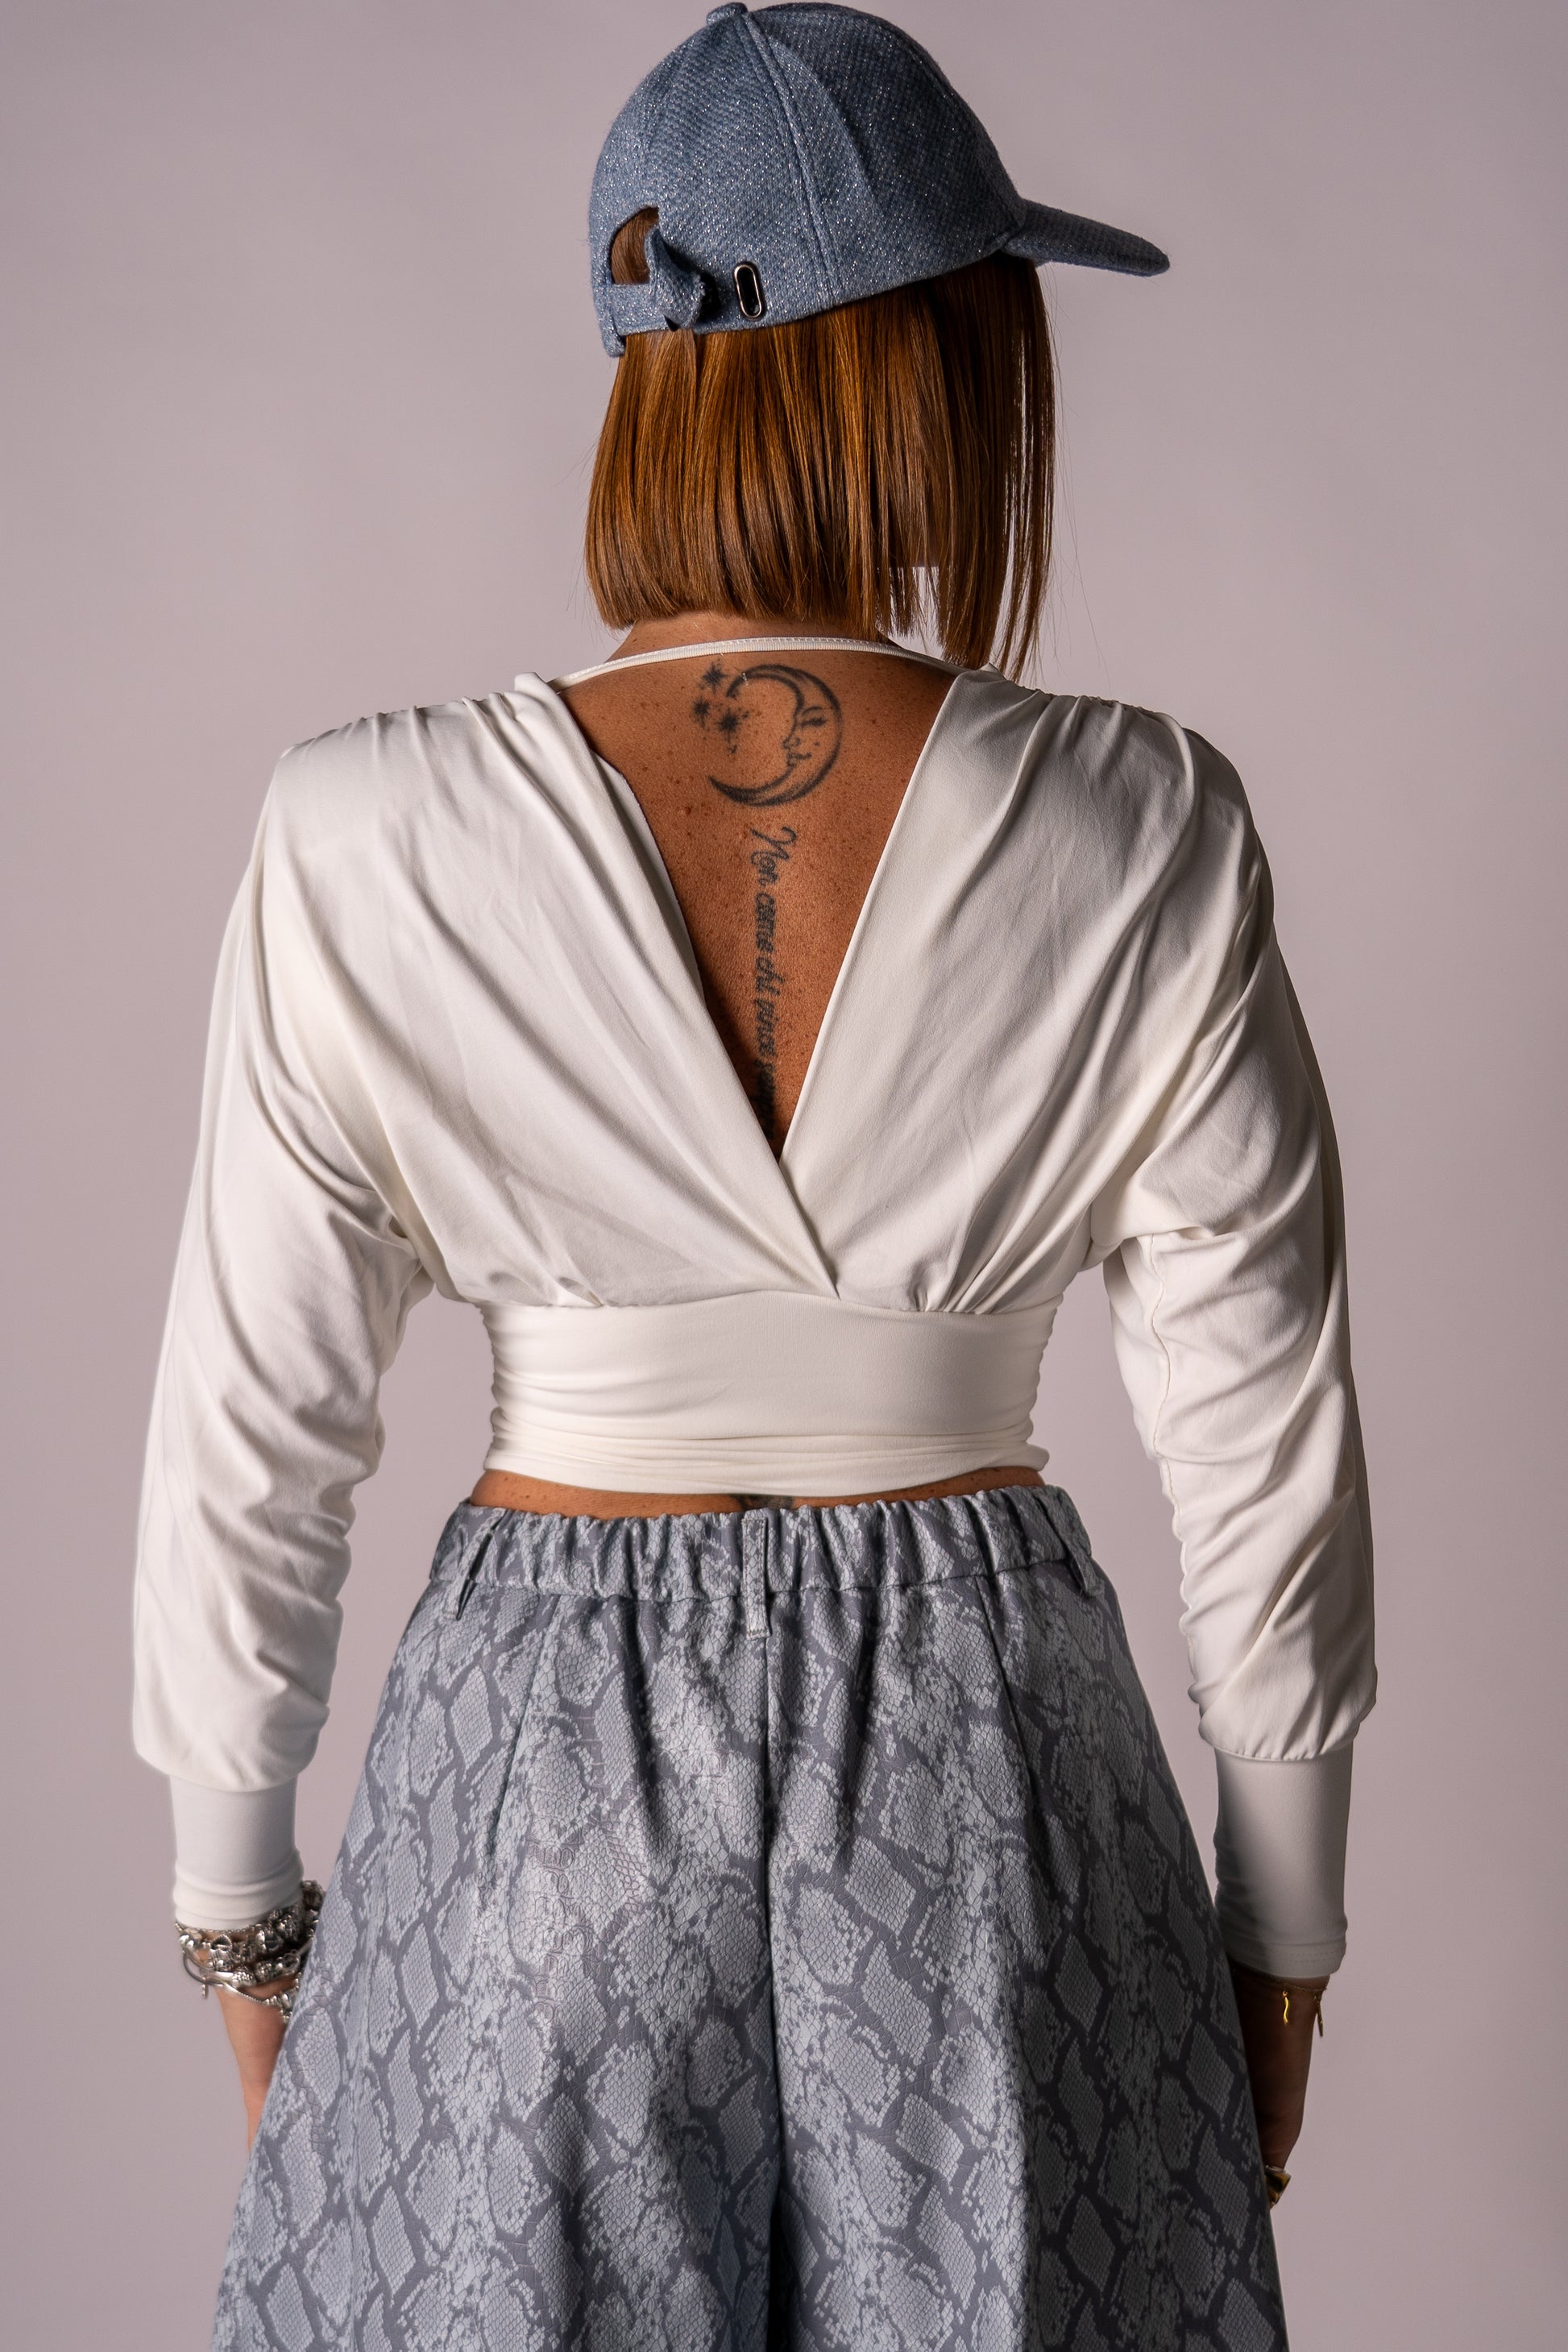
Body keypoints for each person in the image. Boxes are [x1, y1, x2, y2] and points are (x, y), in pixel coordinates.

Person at [135, 7, 1375, 2346]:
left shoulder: (361, 826)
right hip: (989, 1779)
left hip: (537, 1770)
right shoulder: (1143, 817)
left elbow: (254, 1421)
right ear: (934, 369)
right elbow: (1260, 1427)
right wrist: (1284, 1929)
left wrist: (240, 1910)